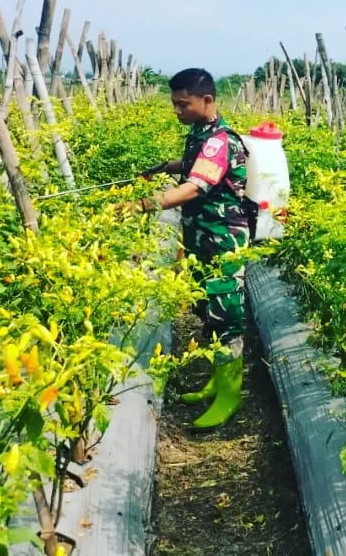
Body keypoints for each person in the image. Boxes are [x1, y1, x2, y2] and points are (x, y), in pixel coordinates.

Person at [120, 68, 252, 430]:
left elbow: (194, 187)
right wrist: (167, 166)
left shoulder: (220, 141)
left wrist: (143, 205)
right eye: (175, 104)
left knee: (226, 312)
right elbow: (195, 166)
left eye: (183, 104)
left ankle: (230, 395)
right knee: (207, 307)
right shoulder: (200, 134)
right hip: (201, 237)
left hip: (223, 241)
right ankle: (216, 381)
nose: (177, 111)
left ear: (207, 101)